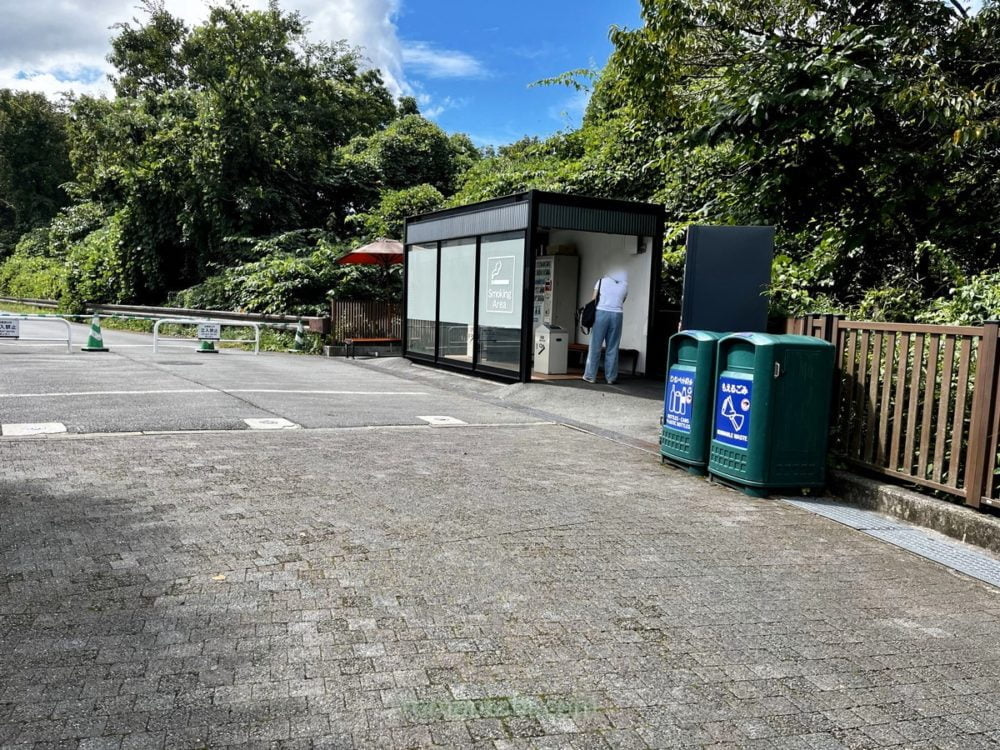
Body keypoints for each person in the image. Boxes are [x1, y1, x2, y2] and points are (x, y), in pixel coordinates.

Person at [583, 271, 627, 384]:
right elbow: (623, 300)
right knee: (612, 347)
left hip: (601, 314)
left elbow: (593, 299)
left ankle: (590, 376)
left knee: (595, 346)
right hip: (617, 315)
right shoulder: (625, 284)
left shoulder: (601, 281)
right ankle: (611, 378)